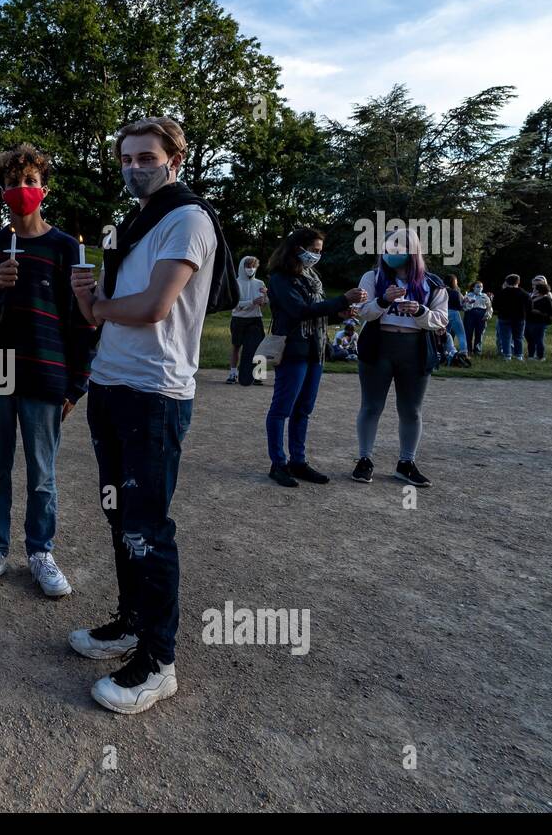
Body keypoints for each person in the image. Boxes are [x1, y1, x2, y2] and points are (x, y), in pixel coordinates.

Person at [67, 116, 228, 715]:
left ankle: (159, 662)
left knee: (147, 527)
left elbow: (156, 306)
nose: (135, 167)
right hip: (111, 383)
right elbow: (105, 313)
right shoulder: (133, 222)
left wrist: (102, 306)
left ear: (174, 160)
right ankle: (132, 623)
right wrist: (91, 302)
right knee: (120, 516)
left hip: (154, 392)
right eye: (127, 159)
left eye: (146, 157)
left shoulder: (187, 217)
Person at [0, 143, 99, 597]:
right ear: (2, 190)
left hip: (45, 374)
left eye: (30, 182)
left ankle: (41, 551)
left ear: (44, 189)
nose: (22, 190)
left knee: (42, 473)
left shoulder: (64, 248)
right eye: (14, 183)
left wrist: (76, 385)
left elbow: (81, 323)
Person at [263, 228, 366, 488]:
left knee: (304, 409)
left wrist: (337, 314)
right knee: (281, 409)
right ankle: (278, 463)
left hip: (316, 350)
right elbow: (299, 310)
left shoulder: (311, 276)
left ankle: (298, 461)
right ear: (298, 248)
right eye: (315, 250)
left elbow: (316, 312)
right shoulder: (280, 277)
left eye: (320, 251)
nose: (317, 256)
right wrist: (342, 299)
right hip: (293, 350)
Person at [351, 228, 448, 487]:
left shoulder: (433, 283)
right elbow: (362, 312)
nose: (392, 252)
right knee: (371, 406)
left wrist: (420, 311)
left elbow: (441, 319)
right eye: (388, 246)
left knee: (411, 410)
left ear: (413, 250)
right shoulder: (372, 277)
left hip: (414, 349)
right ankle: (364, 460)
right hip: (378, 346)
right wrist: (383, 300)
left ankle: (406, 463)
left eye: (399, 246)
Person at [227, 254, 267, 384]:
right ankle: (233, 373)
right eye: (248, 266)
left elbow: (264, 303)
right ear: (242, 267)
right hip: (239, 319)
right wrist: (252, 302)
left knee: (259, 347)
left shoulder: (260, 283)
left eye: (254, 266)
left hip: (256, 319)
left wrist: (265, 298)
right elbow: (235, 306)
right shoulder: (236, 283)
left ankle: (259, 374)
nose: (251, 269)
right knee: (236, 346)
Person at [492, 273, 528, 361]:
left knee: (505, 337)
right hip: (519, 318)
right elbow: (529, 306)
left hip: (504, 317)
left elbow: (495, 305)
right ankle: (519, 355)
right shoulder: (524, 294)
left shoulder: (501, 293)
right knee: (518, 337)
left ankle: (507, 355)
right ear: (518, 282)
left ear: (507, 282)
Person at [526, 276, 552, 361]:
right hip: (528, 321)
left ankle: (540, 357)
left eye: (536, 285)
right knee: (530, 339)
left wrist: (539, 312)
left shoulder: (547, 298)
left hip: (540, 322)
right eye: (533, 285)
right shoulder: (530, 295)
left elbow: (551, 312)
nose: (534, 287)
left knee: (539, 339)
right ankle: (531, 356)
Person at [443, 275, 468, 362]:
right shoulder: (455, 292)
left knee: (446, 333)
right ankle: (463, 352)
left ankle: (445, 351)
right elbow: (459, 307)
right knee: (461, 333)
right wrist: (464, 302)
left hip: (444, 313)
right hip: (453, 312)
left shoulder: (441, 291)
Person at [463, 280, 491, 356]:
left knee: (479, 333)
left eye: (481, 287)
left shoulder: (485, 296)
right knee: (468, 333)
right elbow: (465, 307)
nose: (480, 288)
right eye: (478, 287)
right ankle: (468, 350)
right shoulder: (468, 295)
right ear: (473, 288)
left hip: (481, 315)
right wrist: (470, 303)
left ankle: (477, 351)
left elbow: (489, 307)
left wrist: (487, 315)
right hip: (470, 315)